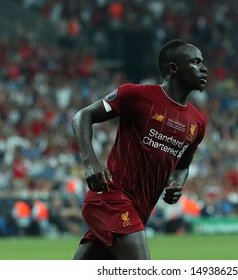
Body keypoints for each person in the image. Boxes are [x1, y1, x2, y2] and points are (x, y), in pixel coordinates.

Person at [72, 39, 208, 259]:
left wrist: (177, 183)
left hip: (139, 209)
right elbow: (82, 116)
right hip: (111, 197)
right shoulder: (136, 95)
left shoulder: (197, 122)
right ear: (173, 67)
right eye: (195, 62)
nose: (204, 68)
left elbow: (183, 165)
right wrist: (91, 162)